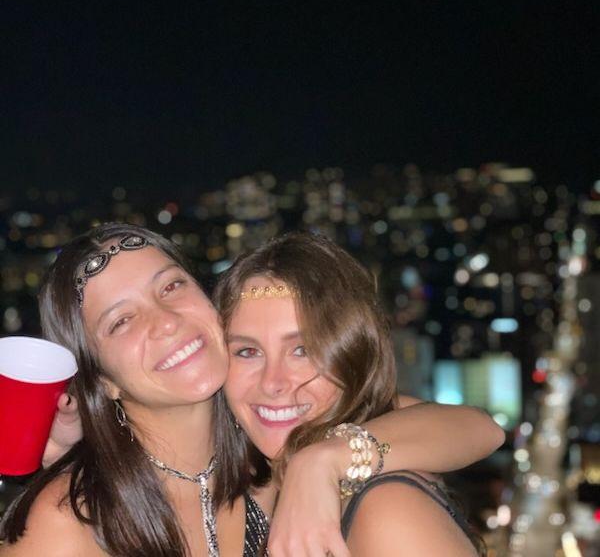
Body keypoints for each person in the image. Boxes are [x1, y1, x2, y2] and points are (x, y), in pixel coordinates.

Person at [2, 224, 503, 556]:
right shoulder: (73, 518)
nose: (166, 321)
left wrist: (321, 462)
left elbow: (474, 427)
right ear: (101, 378)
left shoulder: (268, 429)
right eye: (122, 321)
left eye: (171, 286)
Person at [213, 231, 490, 555]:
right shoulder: (243, 476)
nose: (272, 382)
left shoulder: (389, 512)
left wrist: (320, 461)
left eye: (303, 350)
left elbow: (482, 427)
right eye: (247, 352)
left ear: (353, 355)